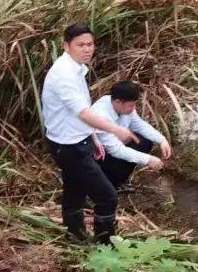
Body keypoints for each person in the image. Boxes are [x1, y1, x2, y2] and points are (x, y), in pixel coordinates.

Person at [41, 23, 135, 243]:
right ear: (66, 46)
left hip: (72, 141)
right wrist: (115, 128)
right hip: (69, 146)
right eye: (80, 45)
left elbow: (79, 110)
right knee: (107, 197)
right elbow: (83, 113)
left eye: (90, 44)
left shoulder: (75, 67)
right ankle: (105, 246)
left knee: (74, 190)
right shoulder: (64, 74)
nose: (87, 49)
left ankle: (75, 235)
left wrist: (92, 135)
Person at [90, 81, 173, 188]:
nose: (133, 108)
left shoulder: (123, 106)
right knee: (116, 167)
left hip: (114, 146)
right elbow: (116, 150)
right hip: (97, 155)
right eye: (131, 105)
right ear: (118, 102)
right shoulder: (100, 115)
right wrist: (148, 160)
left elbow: (139, 125)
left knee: (144, 142)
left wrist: (162, 140)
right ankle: (110, 182)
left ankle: (119, 176)